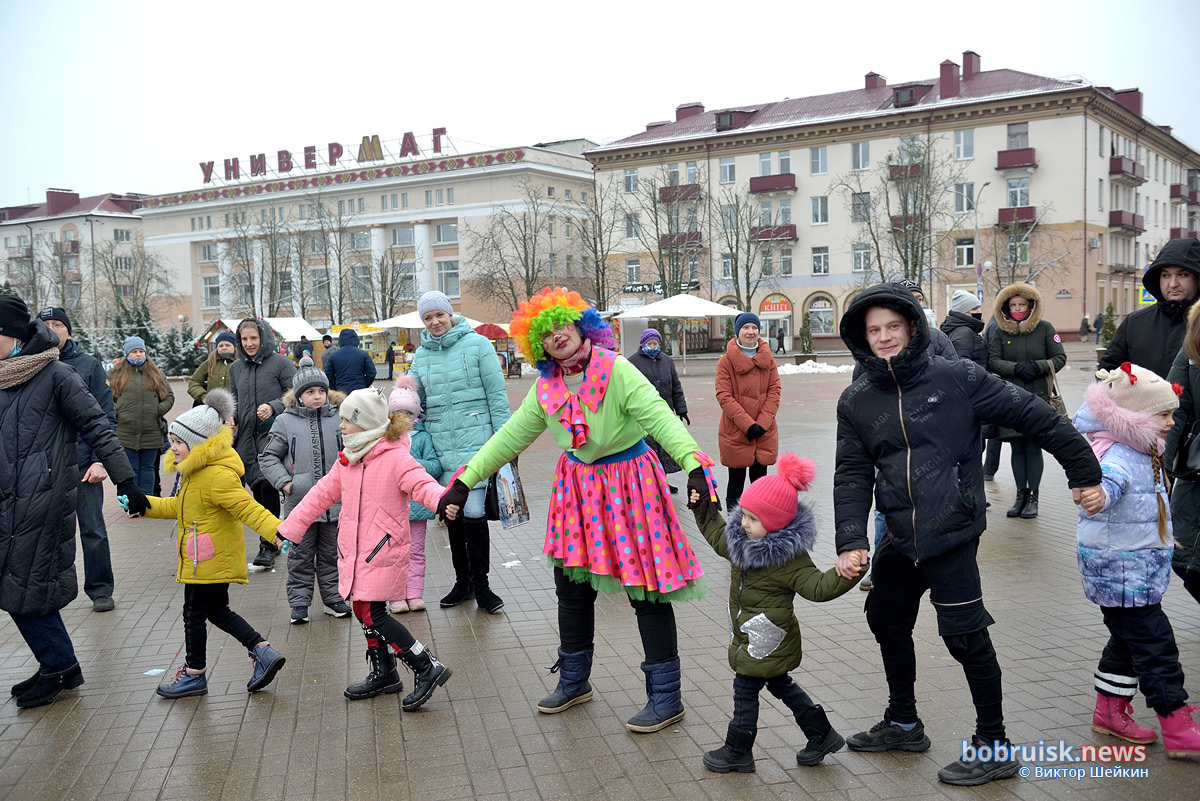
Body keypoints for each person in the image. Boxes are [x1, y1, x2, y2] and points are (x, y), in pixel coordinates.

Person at [832, 283, 1101, 786]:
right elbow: (850, 471)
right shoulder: (857, 399)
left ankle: (994, 743)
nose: (885, 337)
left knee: (965, 637)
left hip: (952, 530)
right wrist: (851, 538)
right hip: (898, 534)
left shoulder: (956, 376)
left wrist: (1083, 471)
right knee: (886, 620)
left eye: (893, 326)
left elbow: (1035, 416)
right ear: (861, 337)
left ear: (913, 327)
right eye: (874, 330)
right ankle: (903, 722)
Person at [437, 287, 710, 732]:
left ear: (581, 325)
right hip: (577, 493)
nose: (556, 336)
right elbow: (508, 439)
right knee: (571, 588)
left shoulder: (616, 369)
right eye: (545, 334)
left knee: (646, 590)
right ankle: (574, 679)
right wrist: (464, 481)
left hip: (630, 487)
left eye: (561, 325)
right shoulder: (546, 389)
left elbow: (660, 417)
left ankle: (666, 696)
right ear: (537, 344)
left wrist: (694, 465)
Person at [0, 295, 148, 709]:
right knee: (19, 588)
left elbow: (97, 425)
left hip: (44, 499)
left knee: (25, 587)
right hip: (6, 500)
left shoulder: (56, 374)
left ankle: (59, 667)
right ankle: (59, 663)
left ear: (12, 335)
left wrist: (126, 479)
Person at [277, 388, 455, 709]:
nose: (341, 426)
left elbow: (421, 483)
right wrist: (290, 528)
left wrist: (443, 500)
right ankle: (384, 671)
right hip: (354, 551)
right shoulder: (349, 460)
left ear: (368, 423)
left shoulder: (395, 456)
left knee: (373, 613)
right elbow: (320, 495)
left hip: (381, 550)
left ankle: (425, 666)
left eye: (347, 420)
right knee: (362, 610)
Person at [690, 454, 861, 774]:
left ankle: (738, 751)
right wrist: (702, 510)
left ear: (775, 524)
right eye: (744, 515)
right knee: (781, 685)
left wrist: (848, 572)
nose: (743, 523)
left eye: (753, 519)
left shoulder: (789, 559)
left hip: (768, 640)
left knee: (745, 691)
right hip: (749, 635)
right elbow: (716, 535)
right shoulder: (742, 540)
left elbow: (819, 587)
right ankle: (822, 734)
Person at [1074, 363, 1200, 757]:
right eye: (1163, 414)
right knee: (1156, 646)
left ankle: (1109, 711)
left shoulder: (1143, 448)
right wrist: (1097, 496)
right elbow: (1106, 484)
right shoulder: (1117, 456)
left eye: (1172, 413)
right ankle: (1176, 722)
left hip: (1137, 570)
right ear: (1134, 416)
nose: (1171, 421)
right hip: (1121, 571)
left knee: (1129, 641)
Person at [128, 389, 287, 699]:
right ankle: (262, 650)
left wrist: (280, 531)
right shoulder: (194, 474)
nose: (172, 448)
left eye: (178, 443)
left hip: (208, 558)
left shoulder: (216, 476)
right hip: (203, 557)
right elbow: (178, 508)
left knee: (194, 614)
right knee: (217, 611)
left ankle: (194, 674)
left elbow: (248, 508)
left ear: (198, 445)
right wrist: (141, 503)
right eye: (172, 442)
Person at [409, 290, 510, 613]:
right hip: (440, 447)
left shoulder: (478, 345)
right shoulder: (421, 355)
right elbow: (408, 397)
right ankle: (462, 582)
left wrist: (506, 443)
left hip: (477, 446)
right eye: (428, 318)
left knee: (475, 513)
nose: (435, 322)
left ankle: (483, 586)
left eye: (439, 314)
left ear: (450, 314)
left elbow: (497, 396)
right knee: (451, 514)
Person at [36, 307, 118, 613]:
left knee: (92, 529)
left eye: (58, 324)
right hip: (45, 468)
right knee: (46, 531)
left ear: (69, 331)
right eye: (46, 324)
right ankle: (49, 590)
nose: (53, 329)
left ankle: (100, 590)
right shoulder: (30, 365)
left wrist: (100, 460)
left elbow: (106, 418)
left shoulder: (88, 366)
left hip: (83, 465)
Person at [257, 360, 352, 623]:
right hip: (300, 504)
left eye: (320, 391)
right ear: (299, 395)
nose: (317, 396)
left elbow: (353, 449)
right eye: (310, 392)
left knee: (333, 554)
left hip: (336, 504)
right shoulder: (285, 421)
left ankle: (334, 599)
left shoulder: (339, 418)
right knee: (299, 555)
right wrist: (287, 483)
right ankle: (299, 604)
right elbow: (267, 457)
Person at [988, 283, 1066, 519]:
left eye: (1022, 304)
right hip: (1010, 399)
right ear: (1006, 307)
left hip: (1038, 398)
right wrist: (1016, 369)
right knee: (1016, 447)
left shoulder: (1044, 328)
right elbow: (993, 359)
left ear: (1031, 306)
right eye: (1013, 305)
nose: (1018, 309)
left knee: (1032, 447)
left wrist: (1037, 367)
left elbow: (1059, 357)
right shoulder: (1001, 332)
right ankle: (1020, 495)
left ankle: (1034, 496)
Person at [229, 317, 296, 569]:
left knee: (268, 484)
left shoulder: (280, 363)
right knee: (256, 489)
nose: (249, 343)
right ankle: (274, 536)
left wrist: (274, 406)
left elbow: (296, 394)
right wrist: (230, 418)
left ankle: (268, 544)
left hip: (274, 434)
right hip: (245, 437)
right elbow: (233, 399)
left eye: (253, 338)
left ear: (263, 338)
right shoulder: (236, 368)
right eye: (245, 339)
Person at [1100, 238, 1200, 379]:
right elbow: (1107, 372)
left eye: (1182, 275)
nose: (1172, 284)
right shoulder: (1135, 322)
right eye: (1165, 275)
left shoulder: (1197, 322)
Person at [716, 312, 781, 508]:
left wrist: (761, 424)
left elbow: (774, 392)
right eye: (746, 328)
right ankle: (735, 529)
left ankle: (760, 526)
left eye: (754, 328)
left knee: (760, 485)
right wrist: (748, 425)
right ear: (738, 332)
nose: (750, 332)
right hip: (736, 431)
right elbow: (724, 396)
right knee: (735, 483)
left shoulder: (768, 360)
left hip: (763, 431)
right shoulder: (726, 362)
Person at [387, 375, 441, 613]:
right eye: (399, 413)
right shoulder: (385, 439)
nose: (405, 419)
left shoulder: (423, 438)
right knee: (393, 554)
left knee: (416, 552)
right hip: (391, 508)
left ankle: (415, 594)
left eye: (409, 413)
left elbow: (435, 466)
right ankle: (395, 596)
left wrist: (412, 462)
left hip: (417, 508)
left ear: (417, 414)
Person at [1164, 303, 1200, 608]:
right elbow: (1174, 408)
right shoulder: (1193, 343)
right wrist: (1159, 468)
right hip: (1194, 471)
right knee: (1183, 559)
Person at [628, 327, 689, 493]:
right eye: (650, 343)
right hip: (644, 415)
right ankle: (649, 483)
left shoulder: (667, 361)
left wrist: (681, 409)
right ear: (643, 344)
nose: (653, 346)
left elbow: (676, 386)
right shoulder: (632, 362)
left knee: (664, 449)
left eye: (655, 343)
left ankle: (663, 481)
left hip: (665, 411)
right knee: (649, 450)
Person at [112, 335, 175, 496]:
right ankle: (132, 503)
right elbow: (105, 398)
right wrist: (117, 411)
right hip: (125, 432)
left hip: (151, 430)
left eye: (141, 351)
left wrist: (157, 410)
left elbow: (169, 396)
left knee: (148, 468)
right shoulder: (115, 374)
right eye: (134, 351)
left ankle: (147, 501)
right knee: (130, 469)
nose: (139, 354)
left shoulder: (155, 373)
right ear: (127, 354)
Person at [188, 331, 236, 406]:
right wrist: (205, 397)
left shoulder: (241, 363)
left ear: (234, 347)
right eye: (220, 346)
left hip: (236, 409)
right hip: (212, 409)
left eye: (228, 345)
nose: (224, 347)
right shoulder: (209, 363)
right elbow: (193, 382)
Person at [941, 290, 987, 370]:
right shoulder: (964, 333)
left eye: (979, 307)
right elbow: (962, 367)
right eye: (974, 309)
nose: (979, 312)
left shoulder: (965, 329)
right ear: (963, 312)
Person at [324, 327, 377, 393]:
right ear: (356, 339)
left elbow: (328, 374)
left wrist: (335, 387)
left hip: (341, 391)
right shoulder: (363, 354)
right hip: (360, 390)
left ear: (340, 340)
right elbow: (372, 372)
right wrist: (364, 385)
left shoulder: (333, 355)